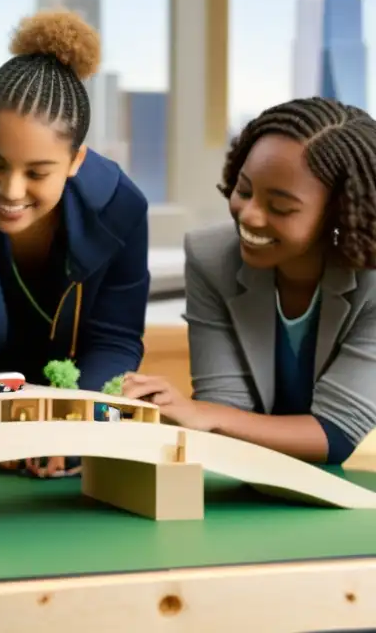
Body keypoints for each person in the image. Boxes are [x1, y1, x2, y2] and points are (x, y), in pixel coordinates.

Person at [0, 9, 150, 478]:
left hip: (70, 425)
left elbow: (115, 340)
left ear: (75, 160)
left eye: (38, 173)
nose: (11, 190)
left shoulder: (123, 209)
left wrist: (74, 426)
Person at [123, 97, 376, 465]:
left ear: (339, 214)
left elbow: (335, 434)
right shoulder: (211, 257)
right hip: (257, 479)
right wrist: (193, 412)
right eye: (244, 190)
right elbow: (225, 408)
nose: (249, 216)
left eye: (281, 207)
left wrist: (204, 415)